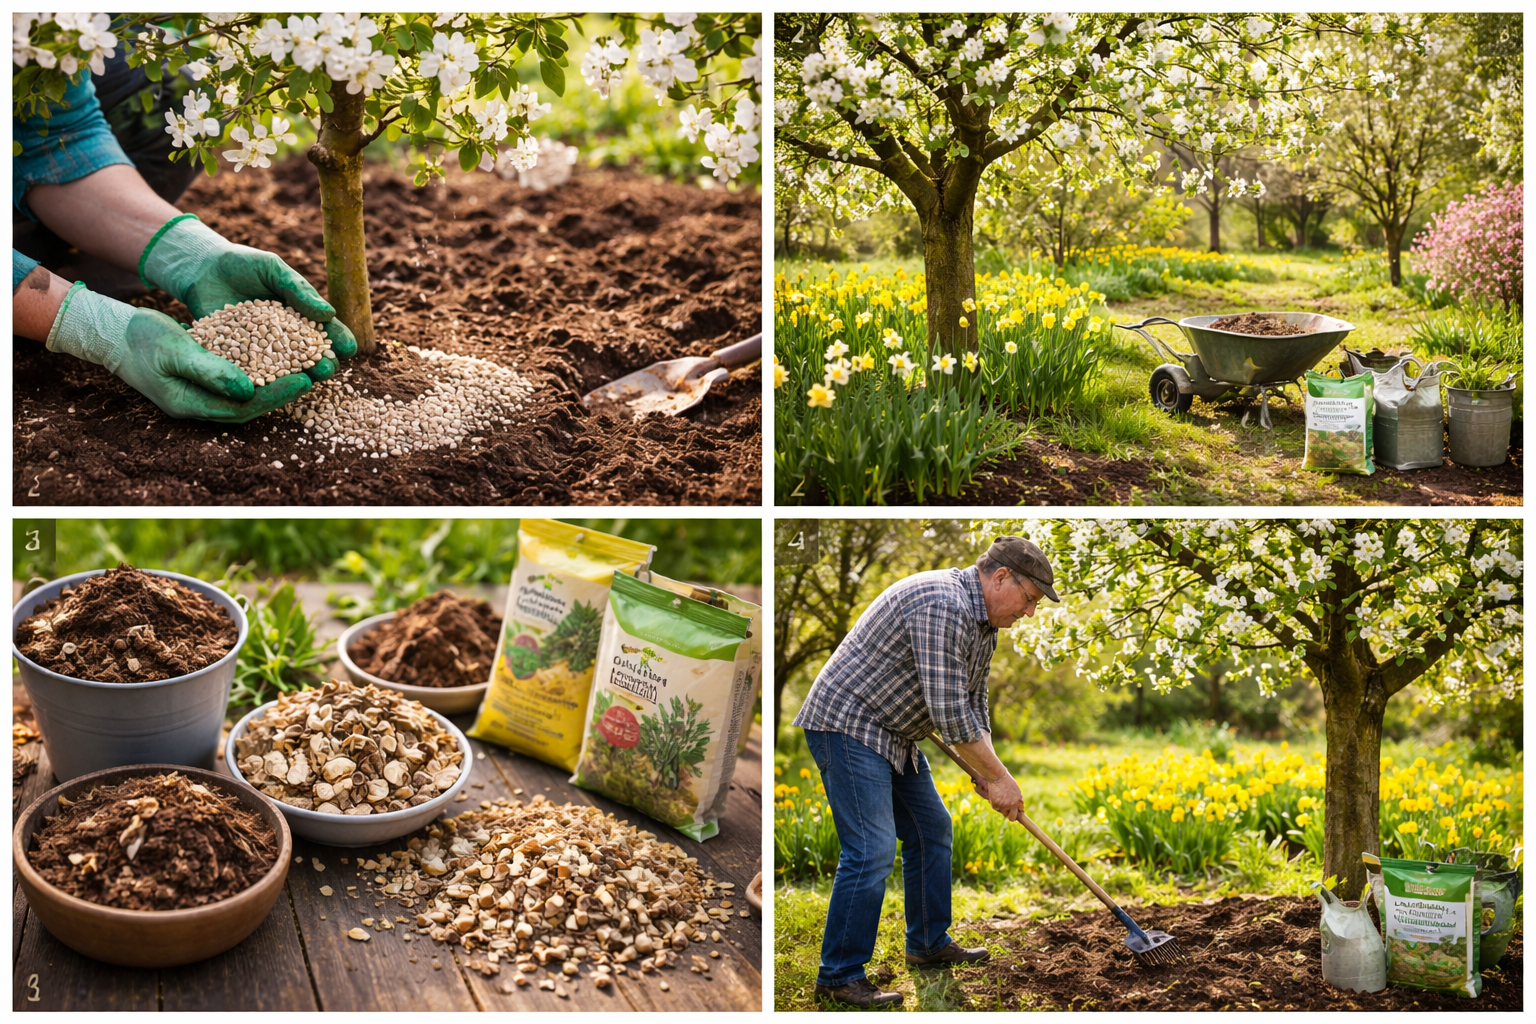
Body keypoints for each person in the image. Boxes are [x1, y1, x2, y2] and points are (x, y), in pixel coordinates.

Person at [13, 44, 357, 423]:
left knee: (174, 83)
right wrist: (91, 325)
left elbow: (58, 138)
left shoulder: (44, 26)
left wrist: (190, 254)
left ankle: (38, 258)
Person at [793, 536, 1060, 1009]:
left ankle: (928, 943)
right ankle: (839, 974)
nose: (1030, 613)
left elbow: (974, 705)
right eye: (1030, 600)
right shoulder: (943, 604)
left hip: (893, 731)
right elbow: (951, 714)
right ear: (1001, 578)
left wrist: (988, 770)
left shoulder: (983, 624)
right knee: (871, 849)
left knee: (932, 829)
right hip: (849, 723)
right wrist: (1001, 779)